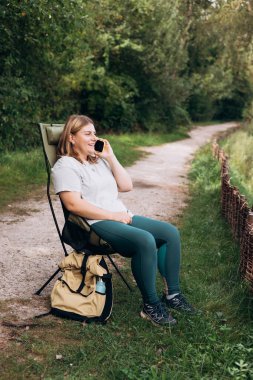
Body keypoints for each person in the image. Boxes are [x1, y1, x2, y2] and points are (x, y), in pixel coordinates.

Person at [52, 114, 195, 326]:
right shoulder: (65, 166)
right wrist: (113, 216)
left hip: (119, 215)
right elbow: (73, 205)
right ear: (72, 138)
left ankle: (173, 295)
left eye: (95, 133)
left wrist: (110, 157)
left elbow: (126, 185)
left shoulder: (98, 161)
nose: (94, 137)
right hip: (94, 223)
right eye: (87, 133)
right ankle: (151, 306)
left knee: (170, 233)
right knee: (145, 240)